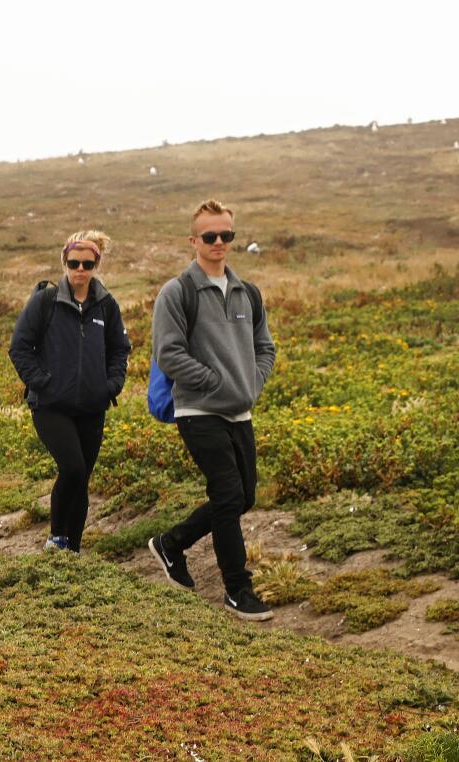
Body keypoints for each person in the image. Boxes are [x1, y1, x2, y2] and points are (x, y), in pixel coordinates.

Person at [147, 199, 277, 621]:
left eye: (227, 235)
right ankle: (238, 590)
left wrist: (251, 381)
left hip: (240, 410)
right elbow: (169, 354)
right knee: (227, 494)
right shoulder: (177, 292)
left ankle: (172, 543)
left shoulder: (247, 292)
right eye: (210, 236)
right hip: (198, 411)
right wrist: (214, 381)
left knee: (243, 498)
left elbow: (265, 347)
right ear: (194, 240)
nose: (219, 242)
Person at [9, 230, 131, 553]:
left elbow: (120, 349)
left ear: (96, 265)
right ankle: (56, 538)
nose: (80, 269)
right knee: (73, 467)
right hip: (50, 405)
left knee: (82, 479)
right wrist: (42, 382)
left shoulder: (106, 305)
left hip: (92, 406)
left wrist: (110, 385)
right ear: (64, 262)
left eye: (87, 263)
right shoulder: (45, 301)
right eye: (74, 262)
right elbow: (19, 347)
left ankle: (72, 550)